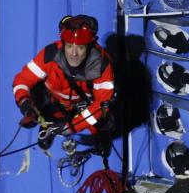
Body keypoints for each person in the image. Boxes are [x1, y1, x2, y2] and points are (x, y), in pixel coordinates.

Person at [13, 15, 114, 148]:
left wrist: (71, 127)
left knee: (103, 119)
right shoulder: (49, 55)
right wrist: (23, 101)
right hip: (54, 100)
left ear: (89, 47)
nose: (74, 53)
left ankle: (99, 138)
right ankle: (47, 126)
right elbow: (23, 80)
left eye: (80, 47)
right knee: (39, 100)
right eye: (69, 46)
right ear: (63, 44)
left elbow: (100, 105)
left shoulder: (102, 66)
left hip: (84, 105)